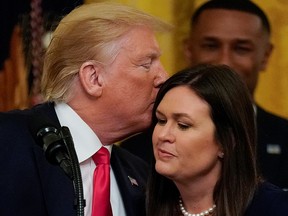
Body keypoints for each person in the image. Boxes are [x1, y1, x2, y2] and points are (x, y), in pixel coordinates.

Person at [0, 2, 171, 216]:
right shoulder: (7, 141)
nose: (164, 78)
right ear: (94, 78)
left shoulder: (142, 175)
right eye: (147, 64)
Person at [121, 0, 288, 189]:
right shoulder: (138, 152)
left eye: (241, 49)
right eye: (211, 46)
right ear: (189, 49)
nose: (224, 61)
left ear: (265, 56)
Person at [146, 64, 288, 216]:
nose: (163, 135)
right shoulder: (138, 205)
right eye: (161, 120)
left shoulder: (277, 208)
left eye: (183, 125)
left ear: (226, 142)